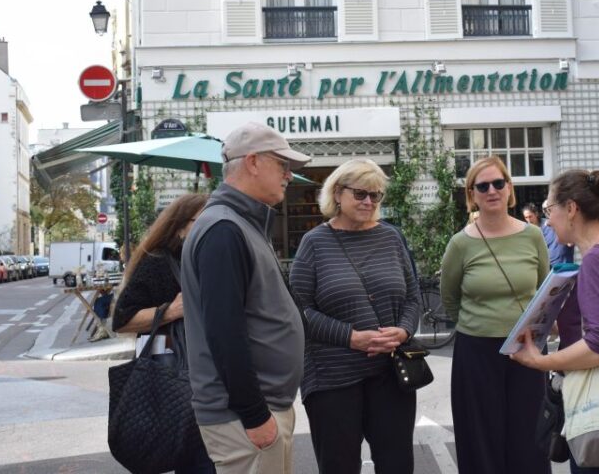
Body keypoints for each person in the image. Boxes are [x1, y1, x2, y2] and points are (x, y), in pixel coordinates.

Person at [181, 122, 309, 474]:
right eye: (282, 165)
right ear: (252, 162)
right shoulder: (225, 229)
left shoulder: (239, 222)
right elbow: (224, 333)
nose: (288, 175)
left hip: (257, 412)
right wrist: (255, 415)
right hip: (245, 418)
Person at [289, 158, 420, 474]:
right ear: (337, 193)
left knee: (397, 464)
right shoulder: (314, 243)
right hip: (332, 378)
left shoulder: (391, 237)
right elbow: (298, 311)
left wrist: (402, 331)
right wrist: (350, 337)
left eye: (376, 196)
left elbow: (413, 297)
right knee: (339, 467)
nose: (368, 202)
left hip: (390, 372)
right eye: (361, 194)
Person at [510, 169, 599, 474]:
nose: (547, 221)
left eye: (549, 210)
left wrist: (540, 362)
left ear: (571, 209)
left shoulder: (595, 260)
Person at [440, 156, 551, 474]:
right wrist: (482, 322)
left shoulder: (533, 236)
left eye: (498, 183)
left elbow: (544, 289)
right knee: (480, 438)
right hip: (476, 351)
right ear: (472, 194)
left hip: (526, 349)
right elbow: (450, 299)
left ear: (509, 189)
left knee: (529, 438)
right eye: (482, 185)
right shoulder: (460, 244)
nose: (492, 190)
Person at [111, 192, 213, 473]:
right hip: (177, 376)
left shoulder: (209, 259)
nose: (211, 227)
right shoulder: (158, 262)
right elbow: (122, 319)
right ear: (179, 227)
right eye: (202, 220)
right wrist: (172, 311)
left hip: (209, 379)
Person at [522, 202, 575, 266]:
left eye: (530, 216)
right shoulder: (527, 231)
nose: (529, 220)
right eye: (526, 217)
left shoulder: (549, 224)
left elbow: (569, 240)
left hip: (563, 263)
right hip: (546, 266)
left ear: (536, 214)